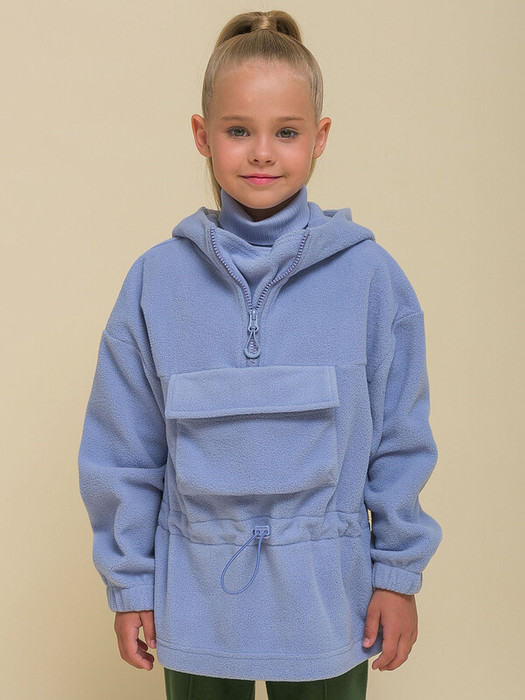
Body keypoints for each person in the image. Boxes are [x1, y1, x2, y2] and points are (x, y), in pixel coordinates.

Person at [78, 9, 442, 700]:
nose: (262, 153)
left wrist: (397, 575)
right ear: (202, 135)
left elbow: (399, 438)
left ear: (320, 137)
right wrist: (130, 584)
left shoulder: (371, 279)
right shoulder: (155, 282)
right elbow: (122, 446)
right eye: (238, 130)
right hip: (193, 597)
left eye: (287, 132)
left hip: (328, 597)